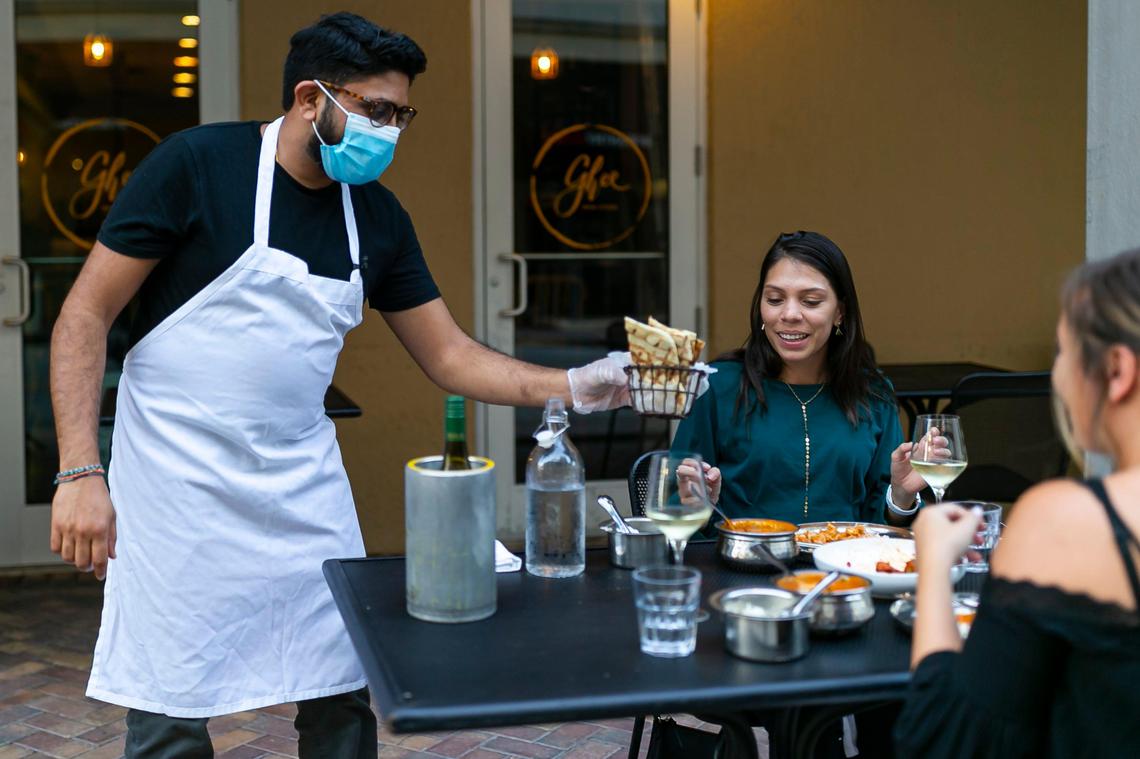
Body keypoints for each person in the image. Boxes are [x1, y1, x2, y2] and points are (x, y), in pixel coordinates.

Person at [47, 13, 627, 757]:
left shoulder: (377, 220)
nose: (388, 130)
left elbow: (449, 354)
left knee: (341, 692)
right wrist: (79, 469)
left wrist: (578, 385)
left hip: (300, 484)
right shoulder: (198, 167)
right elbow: (84, 316)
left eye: (400, 114)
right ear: (307, 98)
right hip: (174, 485)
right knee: (169, 704)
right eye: (374, 110)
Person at [896, 248, 1140, 757]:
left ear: (1116, 371)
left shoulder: (1068, 519)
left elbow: (947, 740)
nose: (1057, 377)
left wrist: (936, 565)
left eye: (1063, 353)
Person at [672, 230, 928, 527]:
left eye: (810, 301)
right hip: (742, 567)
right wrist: (697, 507)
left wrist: (900, 497)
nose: (790, 314)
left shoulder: (873, 392)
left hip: (847, 567)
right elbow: (672, 504)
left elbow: (884, 523)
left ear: (840, 313)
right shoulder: (715, 387)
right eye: (775, 299)